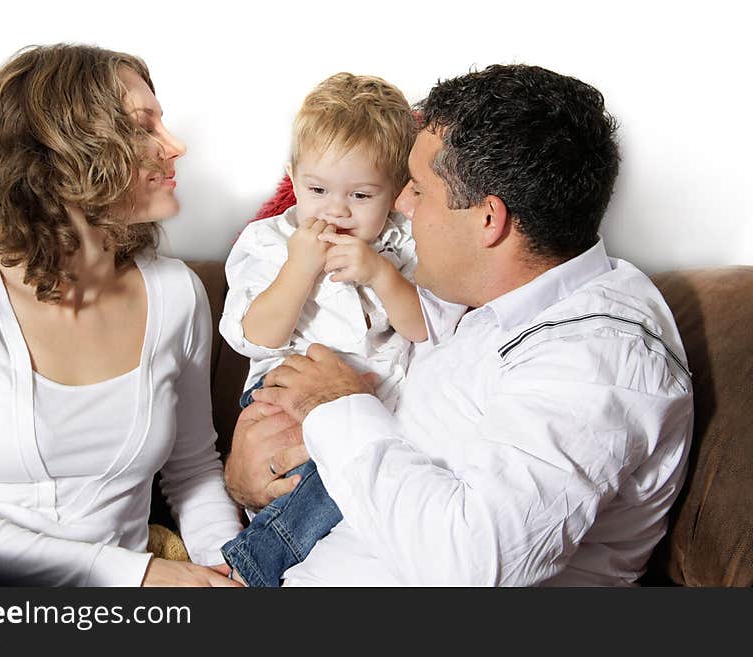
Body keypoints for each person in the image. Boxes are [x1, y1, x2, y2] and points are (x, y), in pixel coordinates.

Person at [224, 64, 695, 586]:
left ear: (489, 221)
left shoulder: (601, 360)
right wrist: (254, 475)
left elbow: (472, 566)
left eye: (418, 191)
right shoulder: (487, 303)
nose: (400, 204)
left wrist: (333, 406)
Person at [0, 44, 243, 587]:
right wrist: (135, 574)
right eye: (145, 127)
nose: (175, 146)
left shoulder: (177, 295)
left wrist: (231, 568)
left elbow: (192, 472)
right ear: (68, 151)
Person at [218, 73, 424, 586]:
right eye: (317, 189)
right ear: (293, 176)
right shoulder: (268, 241)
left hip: (375, 407)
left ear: (397, 193)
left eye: (360, 194)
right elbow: (253, 336)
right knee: (311, 468)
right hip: (283, 397)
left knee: (358, 472)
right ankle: (258, 558)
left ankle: (260, 561)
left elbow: (424, 328)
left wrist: (381, 273)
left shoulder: (406, 245)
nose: (335, 209)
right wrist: (298, 269)